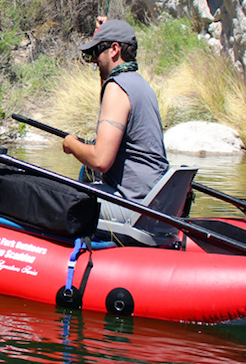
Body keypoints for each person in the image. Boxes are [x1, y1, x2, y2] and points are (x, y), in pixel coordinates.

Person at [62, 17, 169, 223]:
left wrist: (71, 144)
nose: (93, 60)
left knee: (62, 200)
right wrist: (102, 33)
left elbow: (100, 160)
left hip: (134, 206)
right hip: (154, 202)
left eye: (96, 52)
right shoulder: (139, 84)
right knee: (87, 177)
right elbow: (108, 91)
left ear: (114, 49)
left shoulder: (118, 88)